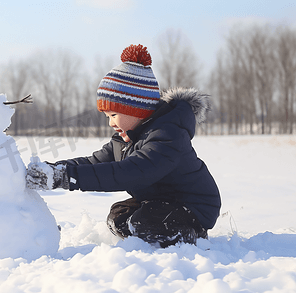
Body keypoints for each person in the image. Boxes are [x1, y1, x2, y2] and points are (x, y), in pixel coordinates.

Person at [26, 44, 221, 247]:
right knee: (118, 217)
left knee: (143, 223)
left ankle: (191, 237)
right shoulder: (126, 139)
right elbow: (94, 162)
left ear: (137, 109)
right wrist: (55, 170)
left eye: (114, 115)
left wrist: (67, 178)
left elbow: (131, 172)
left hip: (192, 207)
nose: (110, 123)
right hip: (161, 201)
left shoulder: (167, 136)